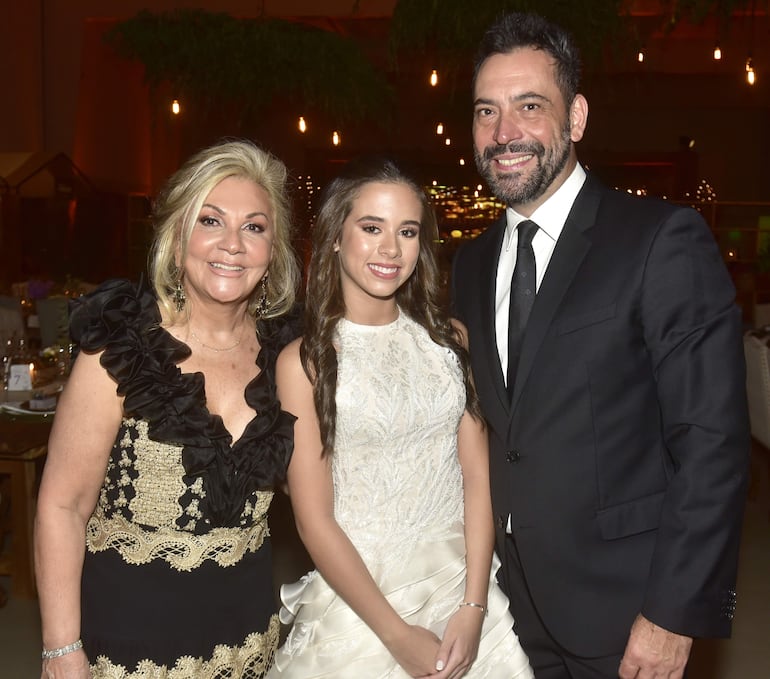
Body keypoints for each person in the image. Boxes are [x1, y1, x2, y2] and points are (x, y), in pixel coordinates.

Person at [451, 12, 750, 679]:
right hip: (508, 614)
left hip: (627, 615)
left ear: (576, 116)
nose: (505, 134)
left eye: (530, 106)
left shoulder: (658, 239)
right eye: (486, 112)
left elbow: (712, 440)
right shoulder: (467, 266)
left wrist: (674, 611)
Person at [34, 138, 301, 678]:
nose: (232, 244)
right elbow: (62, 507)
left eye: (254, 227)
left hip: (250, 647)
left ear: (274, 252)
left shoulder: (290, 360)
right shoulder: (122, 349)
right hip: (126, 652)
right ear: (178, 239)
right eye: (210, 221)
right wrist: (61, 649)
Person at [267, 157, 533, 678]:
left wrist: (474, 608)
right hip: (361, 601)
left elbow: (478, 478)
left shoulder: (449, 341)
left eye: (407, 231)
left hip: (460, 586)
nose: (391, 249)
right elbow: (312, 518)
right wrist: (396, 635)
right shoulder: (306, 362)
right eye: (371, 228)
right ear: (336, 238)